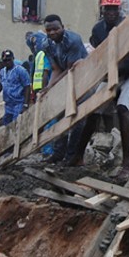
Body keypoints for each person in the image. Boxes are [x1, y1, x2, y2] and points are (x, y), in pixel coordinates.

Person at [80, 0, 129, 181]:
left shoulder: (127, 27)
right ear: (103, 9)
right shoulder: (98, 29)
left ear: (119, 9)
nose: (110, 12)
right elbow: (96, 52)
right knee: (93, 112)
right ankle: (77, 155)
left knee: (123, 109)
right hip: (109, 75)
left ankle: (127, 163)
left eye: (113, 9)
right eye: (107, 9)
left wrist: (111, 72)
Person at [43, 14, 89, 164]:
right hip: (65, 78)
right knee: (59, 116)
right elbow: (56, 69)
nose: (52, 32)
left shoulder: (73, 40)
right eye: (48, 30)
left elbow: (71, 69)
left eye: (56, 28)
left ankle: (71, 156)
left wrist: (54, 86)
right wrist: (48, 88)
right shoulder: (46, 44)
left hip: (82, 78)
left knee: (77, 119)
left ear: (63, 27)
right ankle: (58, 153)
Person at [0, 50, 31, 126]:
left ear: (13, 59)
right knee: (7, 125)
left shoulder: (20, 70)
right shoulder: (2, 72)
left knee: (16, 125)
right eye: (5, 60)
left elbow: (27, 87)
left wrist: (25, 104)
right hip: (8, 104)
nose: (7, 62)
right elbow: (1, 84)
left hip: (18, 103)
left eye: (9, 60)